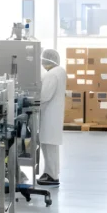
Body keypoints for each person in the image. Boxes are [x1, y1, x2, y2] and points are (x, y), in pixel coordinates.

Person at [37, 48, 66, 186]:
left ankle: (51, 176)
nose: (42, 63)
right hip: (54, 113)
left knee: (48, 145)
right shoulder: (60, 71)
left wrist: (33, 100)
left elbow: (45, 95)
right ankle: (53, 173)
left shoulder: (52, 74)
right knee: (51, 146)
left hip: (49, 114)